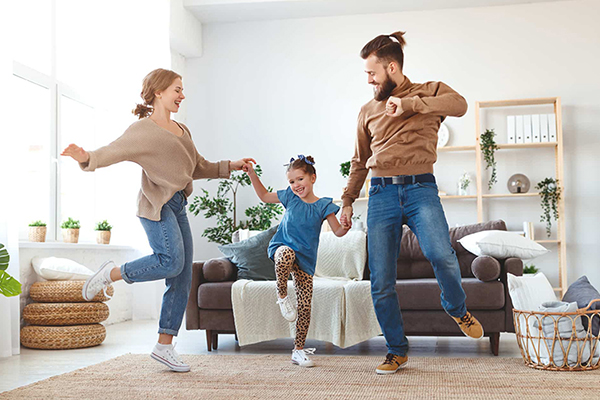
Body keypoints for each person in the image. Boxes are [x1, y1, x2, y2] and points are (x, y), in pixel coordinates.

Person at [61, 68, 255, 373]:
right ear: (158, 92)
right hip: (156, 205)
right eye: (177, 89)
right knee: (171, 262)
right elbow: (111, 152)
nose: (182, 95)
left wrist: (232, 165)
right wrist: (85, 156)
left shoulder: (183, 130)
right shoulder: (142, 130)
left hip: (178, 205)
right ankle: (112, 273)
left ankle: (164, 346)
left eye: (182, 89)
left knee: (181, 277)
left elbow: (198, 166)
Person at [339, 32, 484, 375]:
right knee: (381, 279)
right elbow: (359, 161)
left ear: (392, 67)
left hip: (421, 189)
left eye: (372, 73)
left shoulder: (430, 91)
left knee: (441, 254)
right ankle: (396, 350)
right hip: (380, 193)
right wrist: (347, 201)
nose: (369, 80)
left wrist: (411, 104)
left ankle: (456, 307)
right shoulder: (367, 110)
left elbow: (459, 105)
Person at [243, 155, 349, 367]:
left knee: (305, 306)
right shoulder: (290, 198)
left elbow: (338, 231)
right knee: (286, 254)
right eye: (291, 182)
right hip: (283, 249)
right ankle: (281, 295)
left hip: (305, 260)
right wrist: (252, 174)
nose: (296, 185)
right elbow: (264, 196)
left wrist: (346, 224)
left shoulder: (324, 205)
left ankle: (298, 351)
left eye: (300, 180)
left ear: (313, 178)